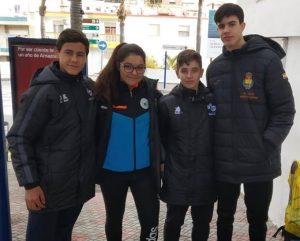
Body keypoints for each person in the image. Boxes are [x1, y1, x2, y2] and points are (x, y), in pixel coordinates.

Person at [206, 3, 296, 241]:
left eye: (232, 24)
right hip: (225, 160)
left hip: (259, 161)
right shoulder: (214, 69)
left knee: (257, 220)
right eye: (221, 26)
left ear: (243, 26)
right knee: (224, 216)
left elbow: (285, 111)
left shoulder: (268, 60)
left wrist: (265, 145)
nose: (226, 30)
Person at [7, 29, 96, 241]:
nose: (74, 59)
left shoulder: (88, 88)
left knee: (62, 236)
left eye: (80, 54)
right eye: (68, 52)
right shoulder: (43, 91)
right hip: (46, 192)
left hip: (76, 191)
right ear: (57, 53)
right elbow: (18, 138)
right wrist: (30, 185)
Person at [94, 43, 161, 241]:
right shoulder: (103, 92)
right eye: (128, 66)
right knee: (114, 219)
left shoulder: (151, 92)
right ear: (118, 65)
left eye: (140, 67)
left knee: (151, 221)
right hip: (112, 172)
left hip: (145, 172)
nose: (134, 72)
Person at [158, 49, 216, 241]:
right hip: (177, 176)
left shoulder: (213, 101)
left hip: (206, 176)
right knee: (173, 222)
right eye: (184, 70)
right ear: (177, 73)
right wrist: (163, 163)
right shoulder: (166, 103)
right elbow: (160, 139)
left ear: (201, 71)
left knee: (202, 223)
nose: (189, 75)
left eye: (194, 70)